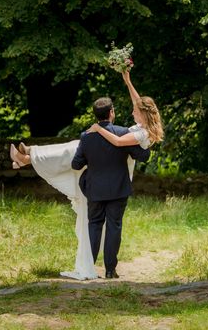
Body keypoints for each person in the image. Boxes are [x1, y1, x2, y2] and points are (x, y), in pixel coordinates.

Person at [9, 70, 163, 279]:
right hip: (116, 178)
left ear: (144, 114)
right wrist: (127, 80)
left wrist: (98, 130)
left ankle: (30, 156)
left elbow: (117, 142)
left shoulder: (141, 132)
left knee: (74, 148)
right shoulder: (142, 123)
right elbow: (138, 101)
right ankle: (30, 155)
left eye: (136, 111)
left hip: (114, 166)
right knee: (72, 147)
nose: (133, 111)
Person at [71, 96, 151, 279]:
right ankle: (109, 270)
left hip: (94, 189)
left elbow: (76, 164)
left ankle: (89, 268)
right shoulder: (123, 133)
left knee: (94, 225)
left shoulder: (86, 136)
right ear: (111, 113)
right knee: (114, 227)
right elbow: (142, 155)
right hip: (118, 188)